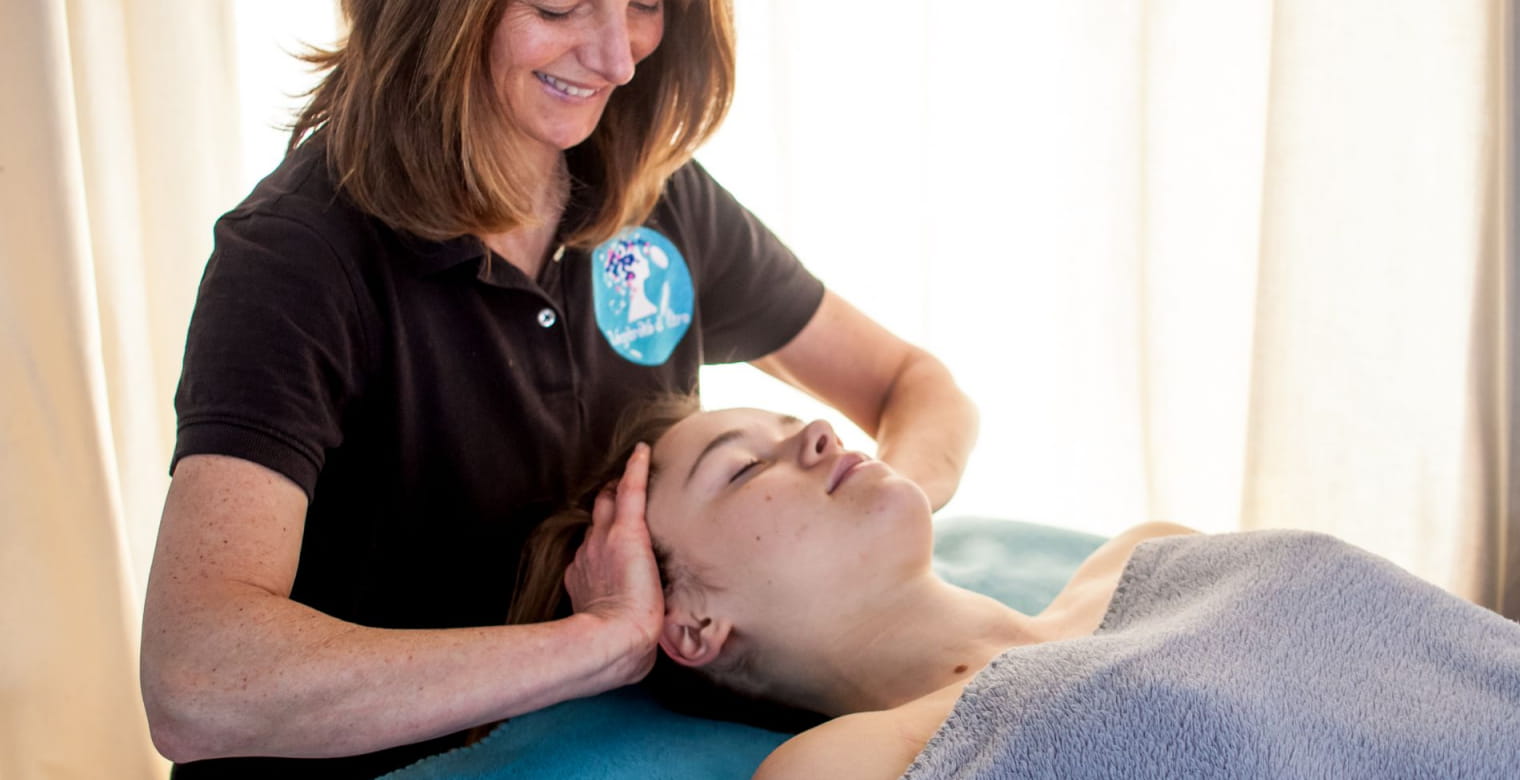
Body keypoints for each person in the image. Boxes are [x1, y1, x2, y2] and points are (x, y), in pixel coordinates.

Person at [138, 1, 978, 777]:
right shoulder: (300, 259)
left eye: (644, 2)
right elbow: (197, 682)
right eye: (558, 3)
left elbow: (914, 385)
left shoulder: (648, 196)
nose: (617, 57)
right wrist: (599, 646)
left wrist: (879, 514)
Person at [512, 397, 1520, 779]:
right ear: (691, 624)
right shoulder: (847, 765)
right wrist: (605, 635)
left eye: (791, 423)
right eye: (742, 468)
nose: (817, 433)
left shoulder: (1145, 553)